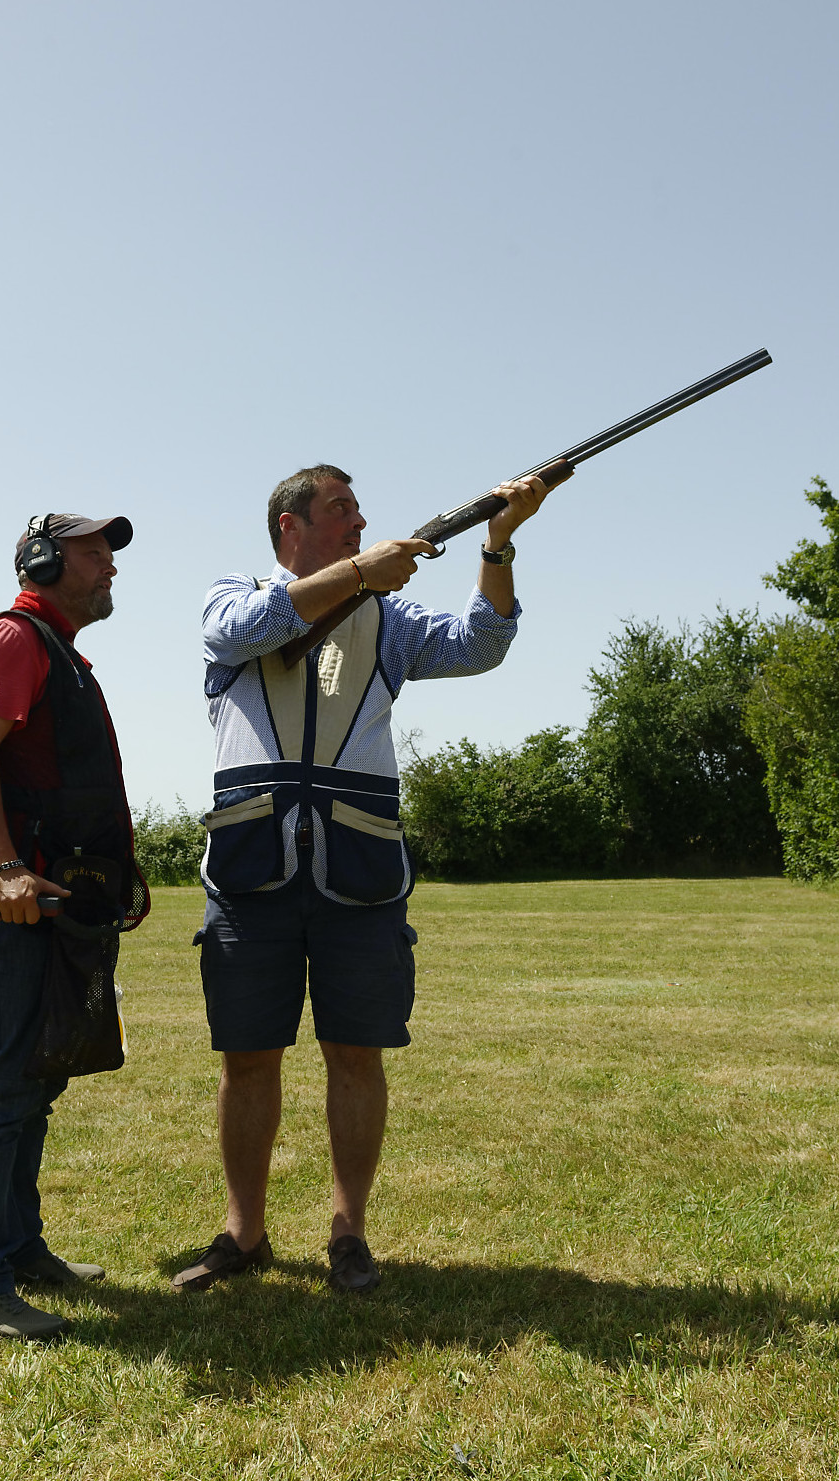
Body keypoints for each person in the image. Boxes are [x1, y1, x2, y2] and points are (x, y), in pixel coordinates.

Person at [175, 458, 571, 1294]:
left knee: (356, 1053)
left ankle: (348, 1229)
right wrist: (360, 573)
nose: (359, 523)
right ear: (291, 525)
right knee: (248, 1057)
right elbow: (243, 631)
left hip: (360, 870)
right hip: (252, 871)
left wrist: (496, 546)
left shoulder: (386, 619)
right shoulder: (231, 592)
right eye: (341, 510)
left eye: (360, 514)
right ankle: (243, 1232)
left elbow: (481, 645)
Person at [0, 512, 147, 1341]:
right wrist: (0, 864)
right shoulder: (10, 638)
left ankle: (18, 1249)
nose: (110, 571)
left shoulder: (60, 652)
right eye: (96, 555)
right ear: (44, 558)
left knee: (35, 1076)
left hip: (55, 900)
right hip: (11, 899)